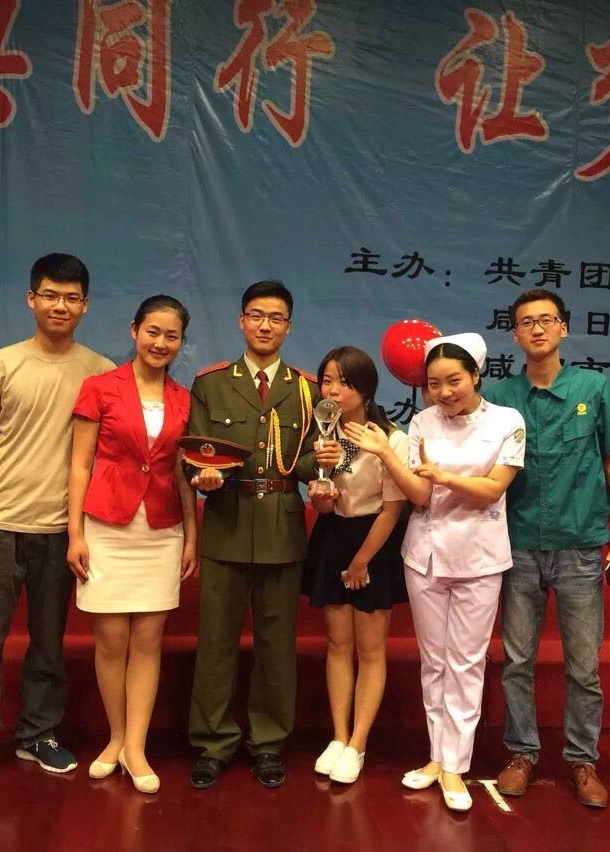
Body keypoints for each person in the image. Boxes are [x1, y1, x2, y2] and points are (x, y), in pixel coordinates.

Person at [0, 254, 114, 795]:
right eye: (50, 295)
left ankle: (38, 734)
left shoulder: (102, 372)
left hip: (61, 528)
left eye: (71, 298)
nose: (60, 306)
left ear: (85, 306)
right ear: (31, 299)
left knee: (48, 641)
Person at [343, 333, 524, 812]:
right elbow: (420, 497)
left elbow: (493, 488)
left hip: (480, 559)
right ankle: (436, 757)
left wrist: (443, 477)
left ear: (476, 376)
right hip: (424, 556)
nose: (444, 392)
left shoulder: (507, 421)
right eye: (433, 384)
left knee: (466, 663)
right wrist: (386, 454)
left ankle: (455, 765)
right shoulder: (422, 422)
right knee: (435, 662)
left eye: (453, 381)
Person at [483, 289, 610, 809]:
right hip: (518, 544)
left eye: (546, 319)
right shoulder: (499, 396)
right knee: (517, 660)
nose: (537, 329)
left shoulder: (593, 388)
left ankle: (581, 759)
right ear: (514, 335)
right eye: (526, 322)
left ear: (564, 328)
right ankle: (521, 753)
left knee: (583, 665)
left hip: (579, 545)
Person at [186, 280, 321, 790]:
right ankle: (212, 742)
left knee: (276, 645)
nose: (266, 325)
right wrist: (201, 474)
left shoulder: (307, 389)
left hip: (282, 527)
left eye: (276, 318)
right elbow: (194, 452)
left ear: (289, 326)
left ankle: (268, 742)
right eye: (257, 315)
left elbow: (309, 461)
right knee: (215, 643)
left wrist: (325, 463)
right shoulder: (212, 383)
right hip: (225, 522)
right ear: (242, 321)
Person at [66, 295, 197, 794]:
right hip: (106, 525)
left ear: (181, 342)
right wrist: (75, 532)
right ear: (134, 330)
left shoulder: (185, 400)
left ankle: (136, 747)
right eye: (152, 332)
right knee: (111, 639)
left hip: (162, 530)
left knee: (147, 640)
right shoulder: (100, 388)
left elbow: (184, 475)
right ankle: (115, 738)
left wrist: (191, 535)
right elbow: (80, 464)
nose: (161, 343)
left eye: (171, 336)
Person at [303, 346, 409, 785]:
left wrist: (362, 561)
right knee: (337, 643)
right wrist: (321, 491)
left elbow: (393, 508)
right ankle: (339, 736)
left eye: (344, 382)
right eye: (327, 381)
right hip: (333, 537)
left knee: (370, 648)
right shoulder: (323, 436)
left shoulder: (390, 437)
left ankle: (359, 743)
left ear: (365, 388)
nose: (333, 390)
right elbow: (325, 505)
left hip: (375, 543)